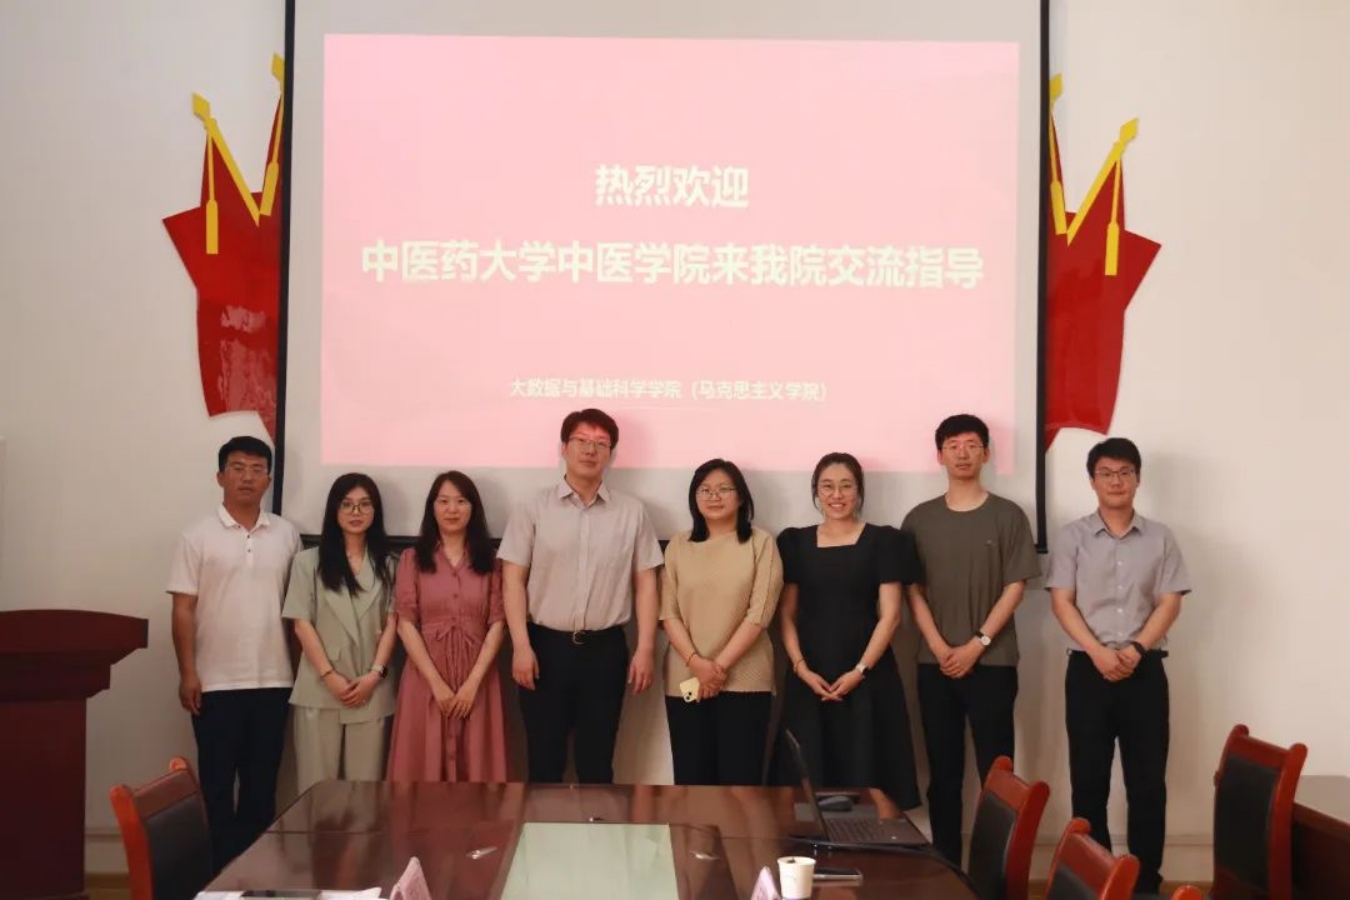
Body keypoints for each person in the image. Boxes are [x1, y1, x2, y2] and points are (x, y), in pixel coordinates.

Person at [1046, 437, 1191, 894]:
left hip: (1144, 671)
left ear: (1138, 479)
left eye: (1125, 472)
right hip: (1087, 670)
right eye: (1106, 473)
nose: (1116, 481)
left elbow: (1170, 602)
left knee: (1147, 782)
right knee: (1089, 783)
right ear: (1092, 481)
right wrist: (1098, 652)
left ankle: (1145, 882)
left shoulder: (1161, 537)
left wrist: (1136, 650)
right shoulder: (1071, 537)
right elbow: (1062, 601)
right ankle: (1097, 881)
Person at [902, 414, 1040, 865]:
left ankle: (994, 874)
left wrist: (976, 644)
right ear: (939, 455)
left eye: (971, 444)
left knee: (996, 776)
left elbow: (1015, 586)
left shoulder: (1008, 515)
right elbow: (913, 591)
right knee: (943, 775)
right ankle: (946, 868)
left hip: (993, 662)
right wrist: (941, 647)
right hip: (935, 663)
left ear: (986, 453)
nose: (962, 453)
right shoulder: (919, 519)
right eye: (953, 445)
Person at [499, 408, 663, 784]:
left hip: (605, 650)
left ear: (611, 454)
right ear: (563, 448)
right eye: (582, 441)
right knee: (544, 762)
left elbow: (646, 585)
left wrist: (646, 648)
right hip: (544, 648)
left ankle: (597, 825)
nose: (590, 450)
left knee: (597, 762)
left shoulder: (632, 513)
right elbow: (512, 581)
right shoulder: (532, 508)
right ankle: (543, 826)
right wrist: (521, 646)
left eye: (601, 443)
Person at [167, 435, 300, 871]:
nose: (247, 477)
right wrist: (188, 672)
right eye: (238, 468)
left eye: (257, 469)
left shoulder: (286, 535)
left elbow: (296, 611)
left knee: (261, 790)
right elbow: (183, 609)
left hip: (273, 679)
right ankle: (220, 880)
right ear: (220, 476)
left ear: (269, 480)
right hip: (215, 682)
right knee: (217, 789)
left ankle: (256, 879)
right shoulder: (197, 536)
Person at [774, 452, 921, 809]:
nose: (836, 495)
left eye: (846, 486)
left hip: (868, 676)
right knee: (804, 787)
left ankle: (872, 846)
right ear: (816, 491)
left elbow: (891, 616)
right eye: (827, 486)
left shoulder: (885, 541)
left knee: (869, 780)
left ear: (859, 491)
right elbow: (786, 614)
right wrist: (800, 668)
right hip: (809, 677)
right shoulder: (795, 542)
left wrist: (859, 671)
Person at [660, 459, 783, 786]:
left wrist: (716, 669)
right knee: (691, 780)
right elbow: (668, 613)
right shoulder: (678, 546)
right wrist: (697, 664)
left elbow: (760, 613)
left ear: (741, 497)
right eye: (705, 490)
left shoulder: (760, 543)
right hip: (686, 679)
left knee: (740, 783)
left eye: (724, 489)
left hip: (746, 679)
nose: (714, 496)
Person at [386, 471, 509, 782]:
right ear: (432, 507)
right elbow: (405, 624)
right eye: (443, 501)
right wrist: (436, 684)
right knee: (423, 769)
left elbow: (498, 623)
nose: (452, 509)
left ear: (473, 508)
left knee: (477, 768)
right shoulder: (412, 559)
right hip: (425, 677)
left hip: (478, 679)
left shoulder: (492, 561)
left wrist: (472, 683)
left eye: (461, 501)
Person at [282, 473, 398, 794]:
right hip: (320, 686)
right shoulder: (307, 563)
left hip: (370, 687)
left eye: (364, 505)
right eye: (347, 505)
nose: (355, 512)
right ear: (334, 510)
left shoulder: (390, 565)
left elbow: (394, 623)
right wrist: (329, 675)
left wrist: (375, 674)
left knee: (366, 792)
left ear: (375, 511)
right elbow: (301, 624)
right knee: (317, 792)